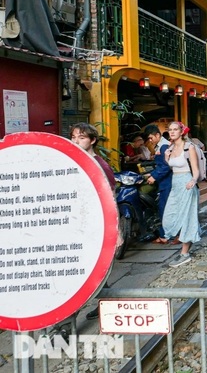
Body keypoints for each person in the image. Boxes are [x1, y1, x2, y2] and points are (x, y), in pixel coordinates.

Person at [69, 123, 117, 321]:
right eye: (73, 138)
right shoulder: (72, 162)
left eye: (81, 138)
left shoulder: (100, 165)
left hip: (94, 226)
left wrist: (116, 231)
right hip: (76, 223)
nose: (76, 142)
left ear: (93, 140)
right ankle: (105, 303)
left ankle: (65, 324)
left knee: (88, 270)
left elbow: (111, 196)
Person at [159, 121, 201, 267]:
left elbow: (195, 170)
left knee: (187, 218)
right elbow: (172, 168)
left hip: (187, 183)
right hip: (175, 185)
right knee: (169, 217)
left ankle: (184, 253)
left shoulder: (189, 147)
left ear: (181, 131)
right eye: (170, 130)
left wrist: (193, 180)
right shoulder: (169, 148)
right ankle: (183, 248)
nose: (172, 132)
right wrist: (166, 158)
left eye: (175, 129)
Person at [144, 124, 173, 244]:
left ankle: (165, 235)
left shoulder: (163, 146)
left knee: (164, 209)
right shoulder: (162, 145)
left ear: (157, 135)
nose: (150, 141)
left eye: (151, 138)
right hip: (166, 181)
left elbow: (165, 166)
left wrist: (154, 176)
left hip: (167, 183)